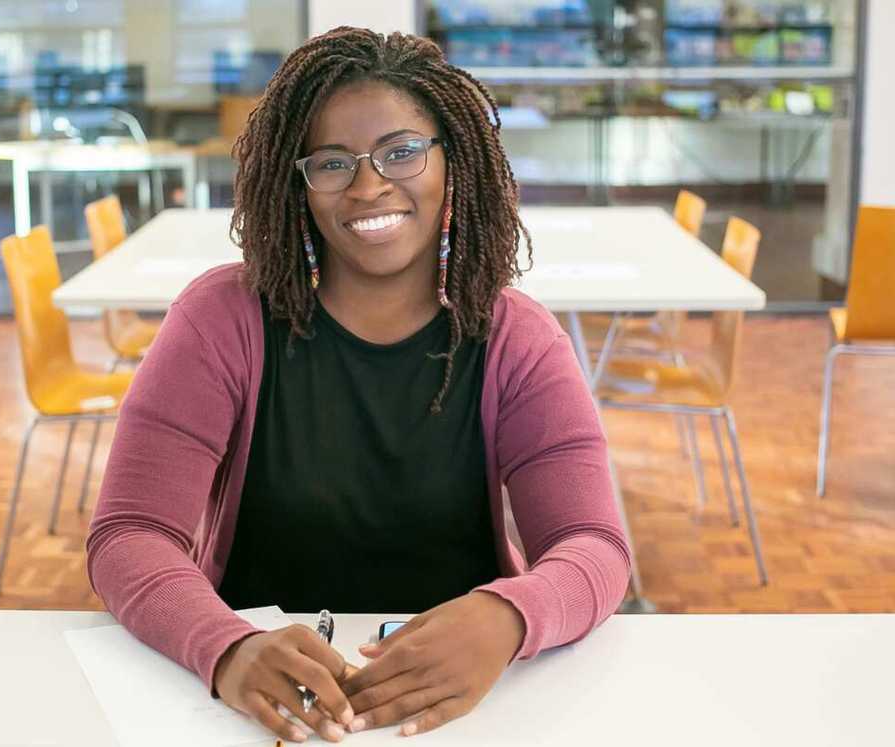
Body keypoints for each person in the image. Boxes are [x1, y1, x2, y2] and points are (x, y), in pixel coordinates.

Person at [87, 26, 630, 744]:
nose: (370, 186)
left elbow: (593, 543)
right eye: (334, 162)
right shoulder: (220, 321)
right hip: (257, 714)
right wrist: (225, 646)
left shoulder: (517, 340)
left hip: (461, 712)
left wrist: (511, 614)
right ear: (298, 182)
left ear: (452, 162)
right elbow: (130, 534)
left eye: (402, 151)